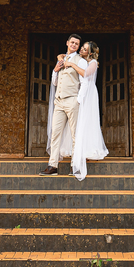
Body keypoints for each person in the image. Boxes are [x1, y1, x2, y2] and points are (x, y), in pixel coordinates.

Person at [41, 34, 85, 176]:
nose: (74, 45)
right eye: (72, 42)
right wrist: (55, 70)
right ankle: (53, 165)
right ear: (67, 43)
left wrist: (78, 100)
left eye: (76, 44)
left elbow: (84, 82)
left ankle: (75, 166)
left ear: (78, 46)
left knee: (75, 135)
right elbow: (55, 82)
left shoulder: (80, 61)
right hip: (59, 102)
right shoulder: (61, 59)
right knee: (55, 134)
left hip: (72, 100)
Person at [69, 41, 108, 181]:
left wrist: (72, 65)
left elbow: (86, 74)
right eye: (82, 47)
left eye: (84, 49)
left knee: (88, 120)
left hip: (90, 94)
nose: (81, 49)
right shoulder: (82, 61)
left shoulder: (93, 63)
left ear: (90, 53)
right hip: (81, 91)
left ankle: (89, 150)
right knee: (80, 121)